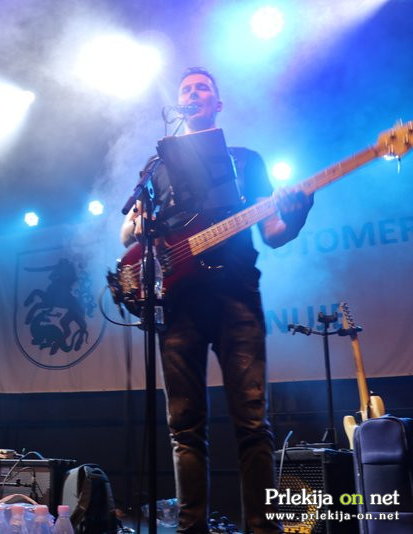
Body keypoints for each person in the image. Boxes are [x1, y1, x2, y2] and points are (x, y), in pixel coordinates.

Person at [121, 67, 314, 533]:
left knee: (252, 422)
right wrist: (139, 227)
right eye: (186, 88)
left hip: (236, 297)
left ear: (217, 103)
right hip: (178, 303)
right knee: (184, 427)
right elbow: (127, 231)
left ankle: (262, 527)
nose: (193, 93)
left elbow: (273, 233)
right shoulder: (156, 167)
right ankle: (191, 528)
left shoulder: (246, 161)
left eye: (202, 87)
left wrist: (297, 213)